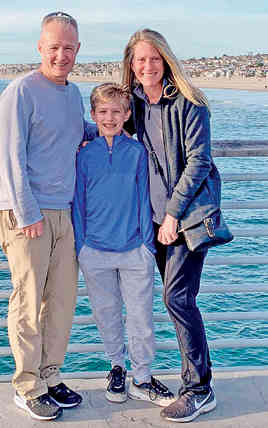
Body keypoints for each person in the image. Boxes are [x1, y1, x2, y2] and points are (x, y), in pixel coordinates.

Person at [0, 11, 97, 421]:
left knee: (62, 300)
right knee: (27, 299)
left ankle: (51, 375)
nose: (61, 55)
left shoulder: (73, 94)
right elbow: (9, 157)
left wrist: (113, 128)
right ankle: (27, 385)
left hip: (64, 211)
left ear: (78, 50)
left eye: (68, 48)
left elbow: (77, 131)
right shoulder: (20, 91)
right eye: (54, 47)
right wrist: (27, 212)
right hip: (26, 214)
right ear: (40, 47)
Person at [122, 28, 220, 422]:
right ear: (131, 64)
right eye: (140, 59)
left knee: (178, 298)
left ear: (165, 60)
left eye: (154, 58)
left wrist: (172, 215)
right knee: (176, 299)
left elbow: (199, 162)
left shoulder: (190, 103)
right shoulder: (134, 103)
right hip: (154, 220)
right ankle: (196, 382)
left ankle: (199, 389)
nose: (147, 66)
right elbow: (112, 125)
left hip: (184, 219)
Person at [72, 83, 175, 407]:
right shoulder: (84, 154)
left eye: (117, 112)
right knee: (106, 313)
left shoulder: (137, 152)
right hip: (94, 251)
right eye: (103, 112)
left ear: (128, 114)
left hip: (134, 250)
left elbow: (145, 199)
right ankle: (117, 366)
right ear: (93, 115)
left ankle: (142, 377)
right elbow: (78, 203)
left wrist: (147, 245)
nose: (110, 117)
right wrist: (81, 246)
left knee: (141, 317)